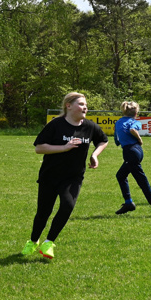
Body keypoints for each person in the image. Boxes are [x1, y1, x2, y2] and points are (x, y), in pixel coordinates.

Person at [21, 92, 108, 259]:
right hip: (50, 175)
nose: (85, 107)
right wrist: (63, 148)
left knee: (67, 205)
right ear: (69, 106)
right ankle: (33, 241)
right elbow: (39, 148)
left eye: (86, 105)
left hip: (73, 177)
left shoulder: (89, 126)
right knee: (43, 213)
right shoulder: (56, 124)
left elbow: (103, 140)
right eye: (81, 104)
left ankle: (48, 243)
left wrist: (95, 154)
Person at [113, 101, 151, 216]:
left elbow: (118, 139)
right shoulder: (136, 122)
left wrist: (135, 138)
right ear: (136, 113)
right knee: (121, 175)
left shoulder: (118, 123)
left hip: (129, 152)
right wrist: (139, 140)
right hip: (136, 151)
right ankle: (128, 203)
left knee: (141, 180)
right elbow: (132, 129)